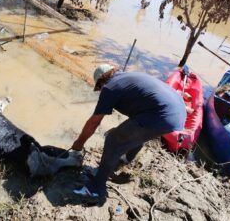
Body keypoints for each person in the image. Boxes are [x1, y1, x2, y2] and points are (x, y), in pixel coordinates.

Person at [70, 64, 187, 201]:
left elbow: (94, 122)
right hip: (178, 113)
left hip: (161, 115)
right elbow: (139, 114)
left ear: (101, 82)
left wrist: (78, 144)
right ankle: (125, 159)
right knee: (134, 131)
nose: (101, 91)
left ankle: (95, 189)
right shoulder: (127, 79)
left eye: (99, 88)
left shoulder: (109, 88)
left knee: (113, 140)